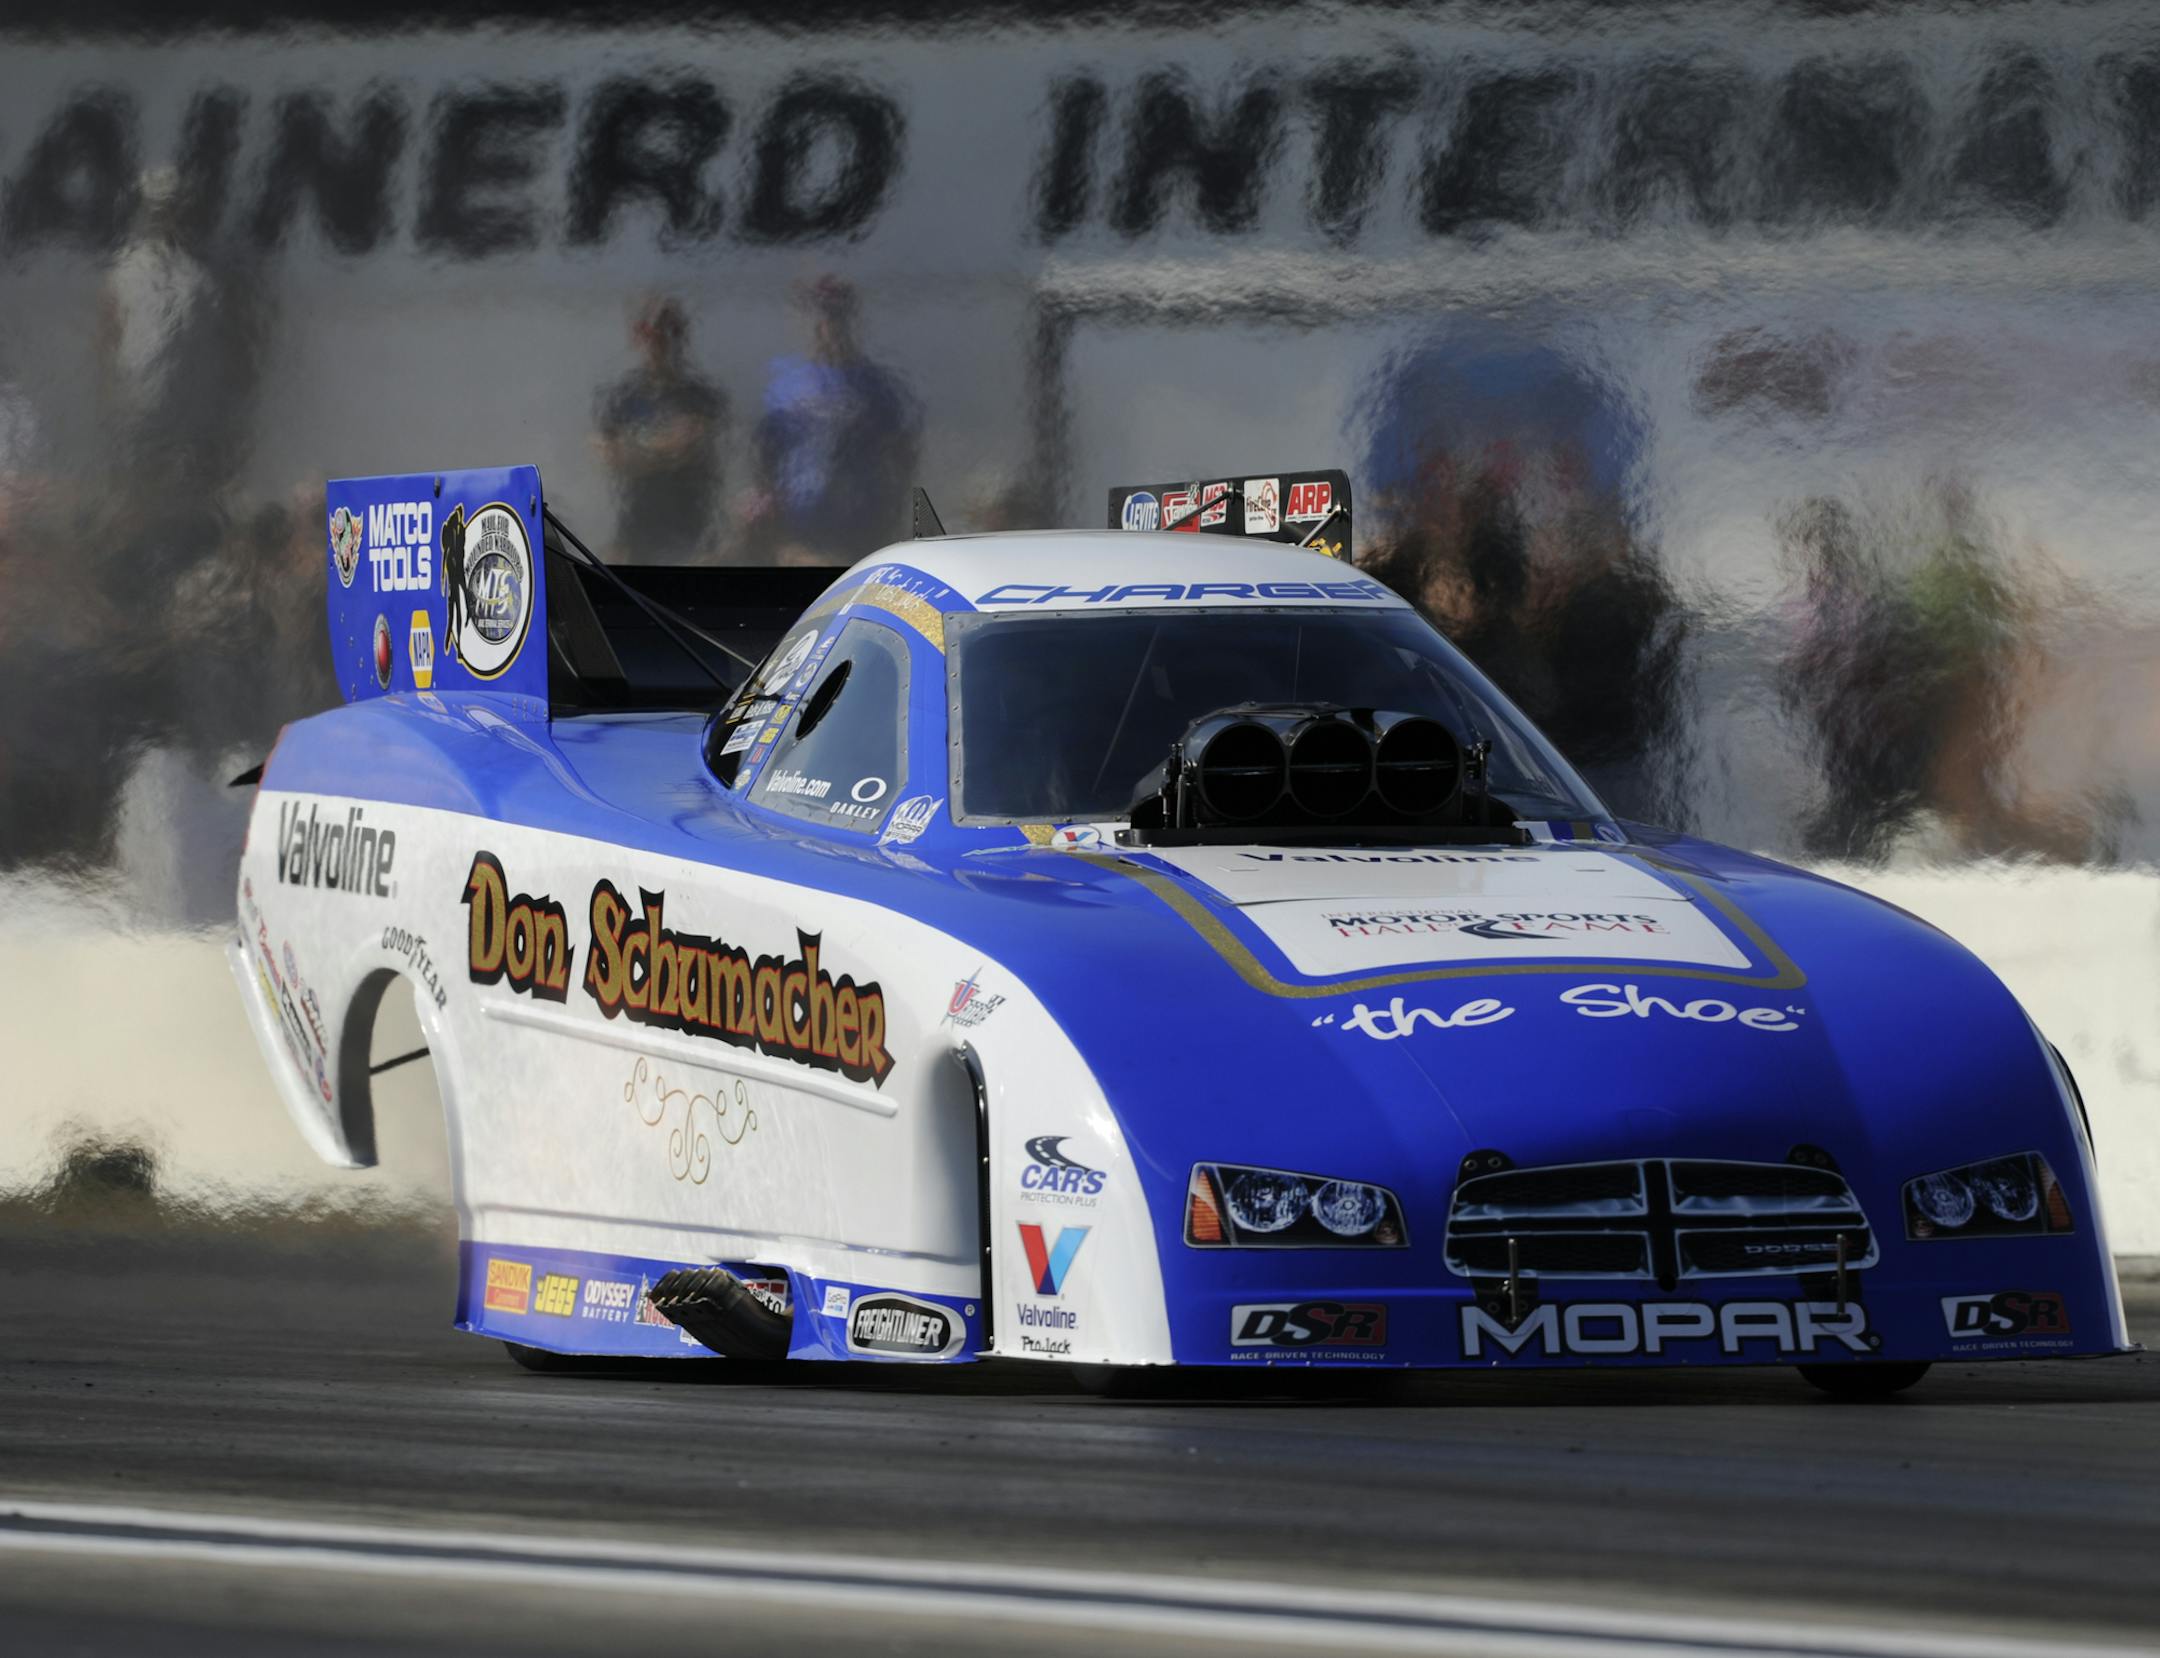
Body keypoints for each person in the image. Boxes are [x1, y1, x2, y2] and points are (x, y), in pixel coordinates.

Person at [744, 276, 920, 564]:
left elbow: (902, 452)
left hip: (861, 520)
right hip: (799, 526)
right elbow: (765, 451)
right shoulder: (784, 386)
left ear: (849, 320)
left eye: (836, 315)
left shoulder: (876, 385)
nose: (828, 325)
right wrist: (768, 505)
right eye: (822, 315)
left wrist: (895, 509)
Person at [594, 296, 726, 563]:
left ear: (681, 339)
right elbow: (609, 458)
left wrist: (636, 448)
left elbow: (691, 450)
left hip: (691, 522)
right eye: (652, 336)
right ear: (639, 339)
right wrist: (664, 448)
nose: (660, 345)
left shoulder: (702, 397)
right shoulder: (622, 397)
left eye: (669, 335)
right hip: (637, 521)